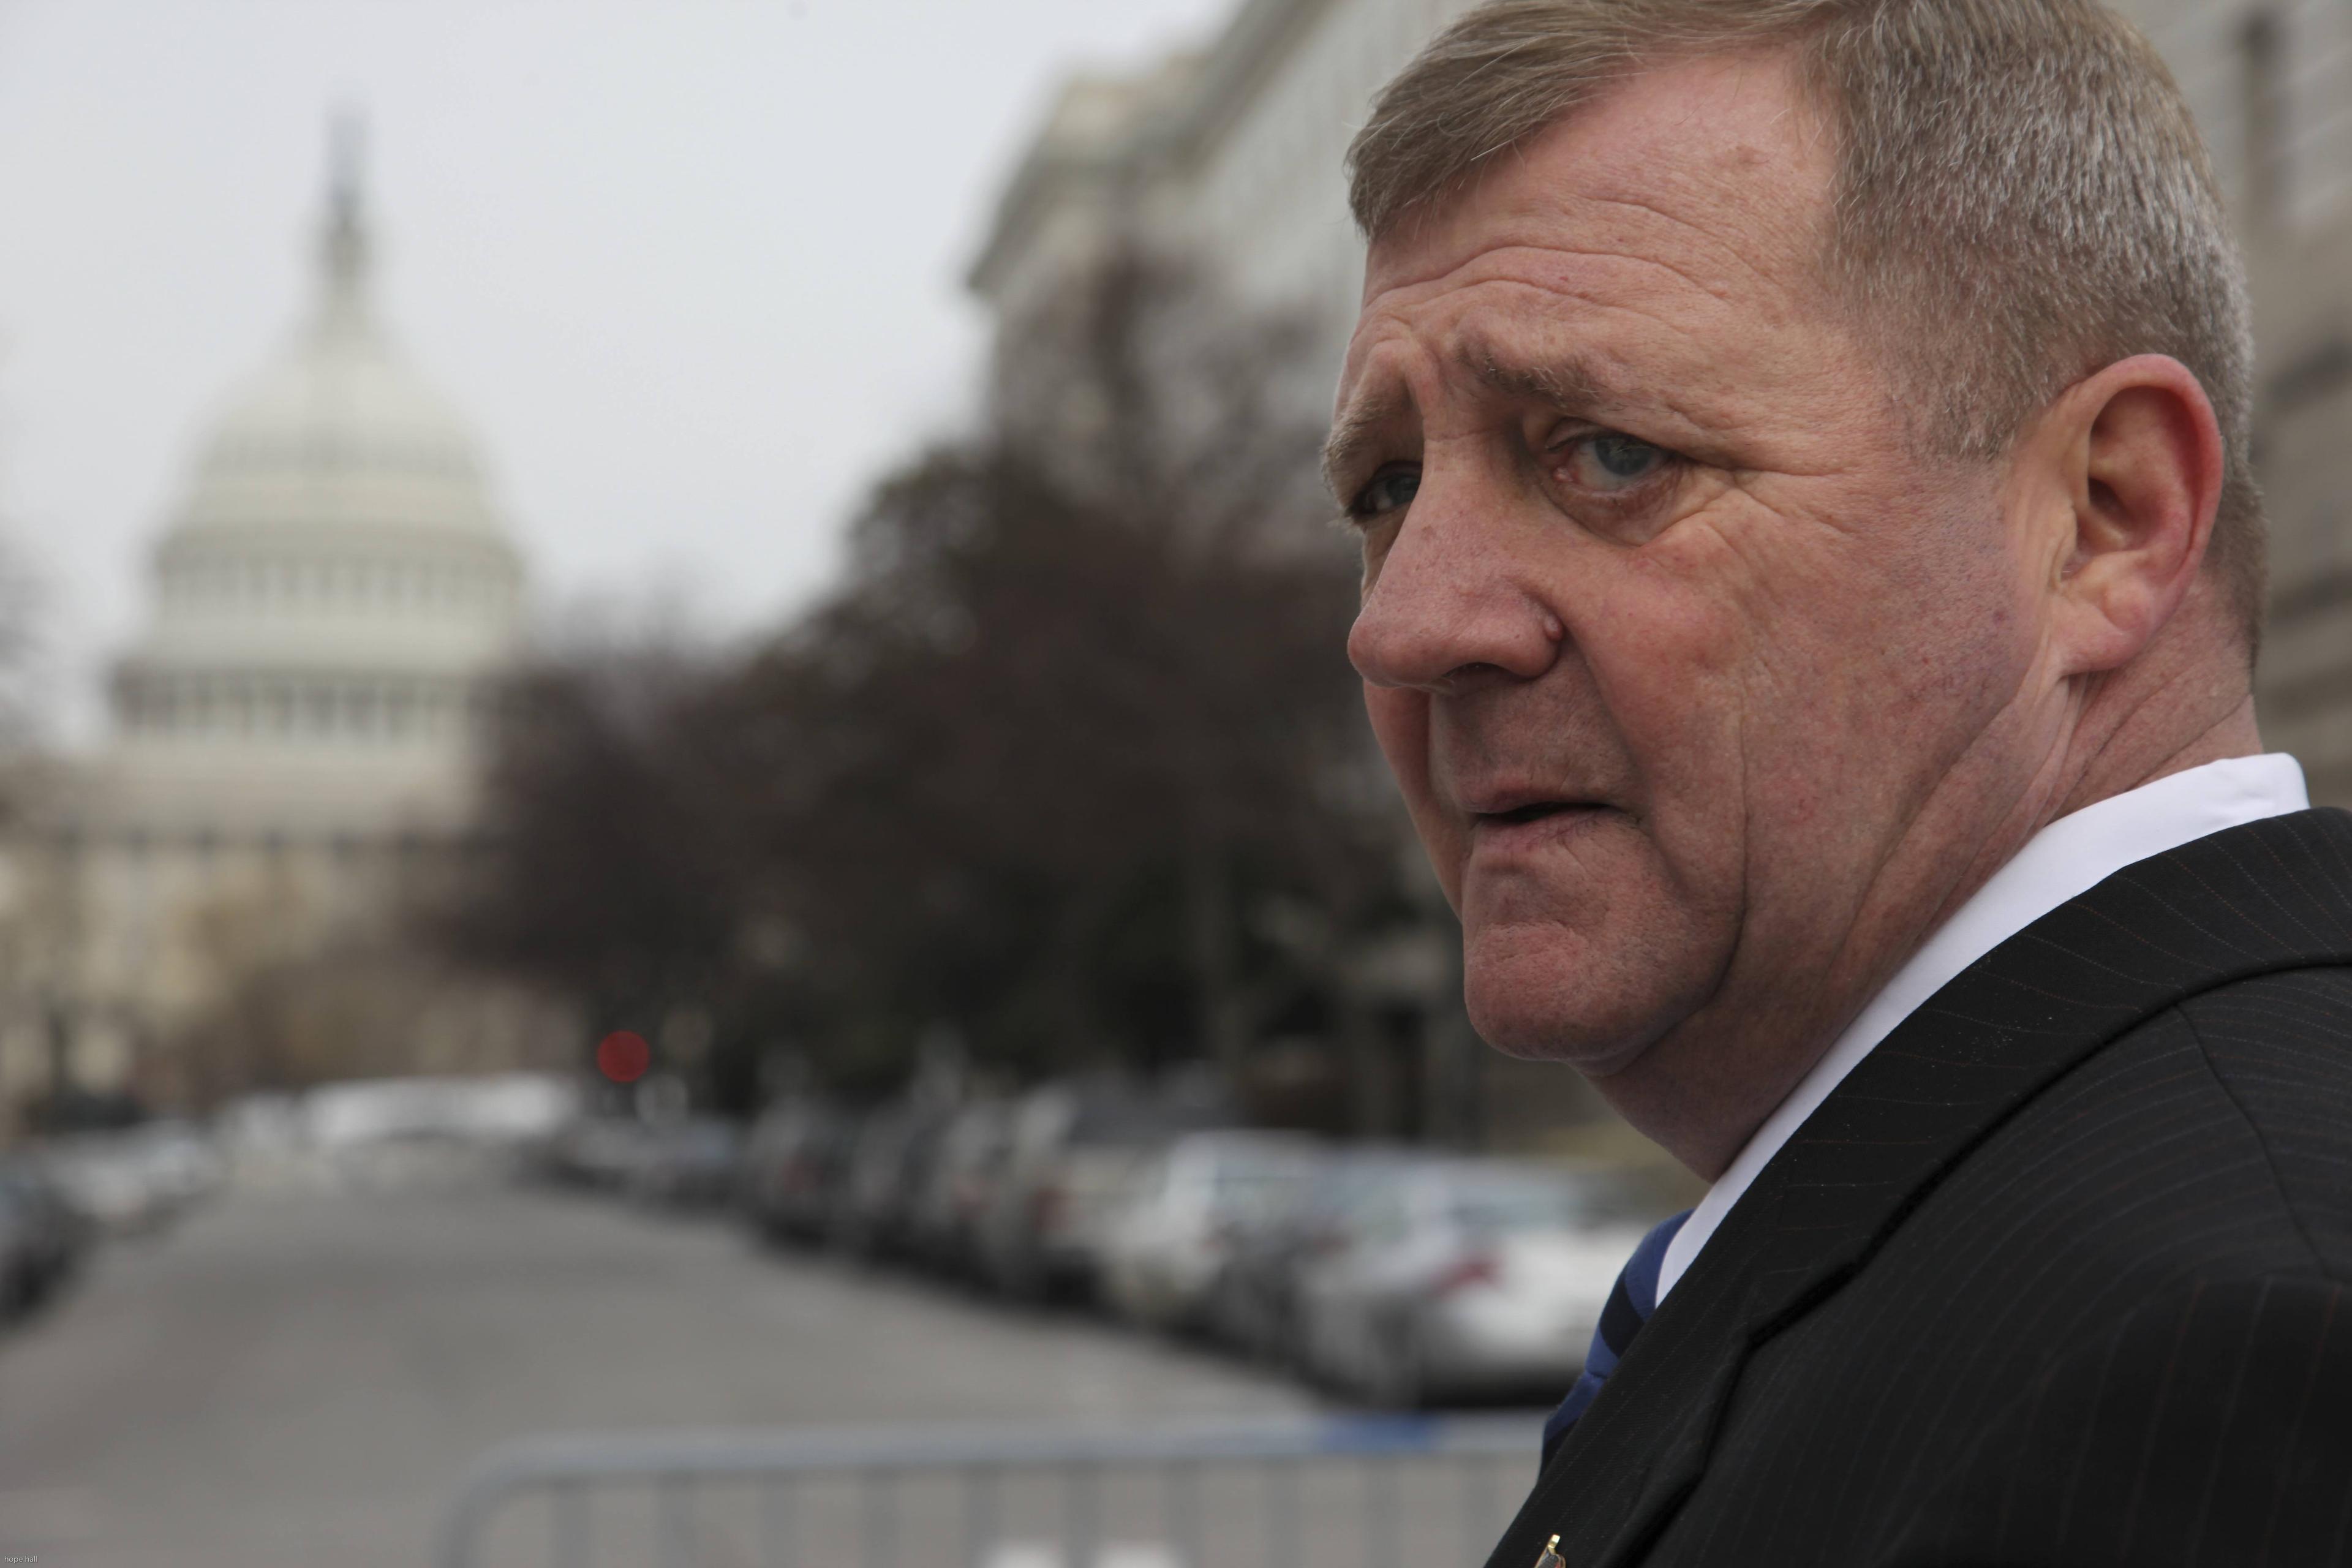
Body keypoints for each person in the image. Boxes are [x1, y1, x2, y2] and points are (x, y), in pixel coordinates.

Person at [1329, 1, 2352, 1562]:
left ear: (2106, 518)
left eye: (1606, 453)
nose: (1404, 623)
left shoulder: (2230, 1343)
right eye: (1389, 488)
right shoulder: (2030, 1220)